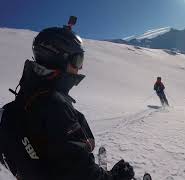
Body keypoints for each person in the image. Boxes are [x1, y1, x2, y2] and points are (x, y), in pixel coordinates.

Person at [0, 25, 134, 179]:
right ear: (59, 59)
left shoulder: (30, 91)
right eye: (77, 60)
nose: (80, 67)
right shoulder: (54, 104)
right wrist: (114, 177)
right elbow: (80, 173)